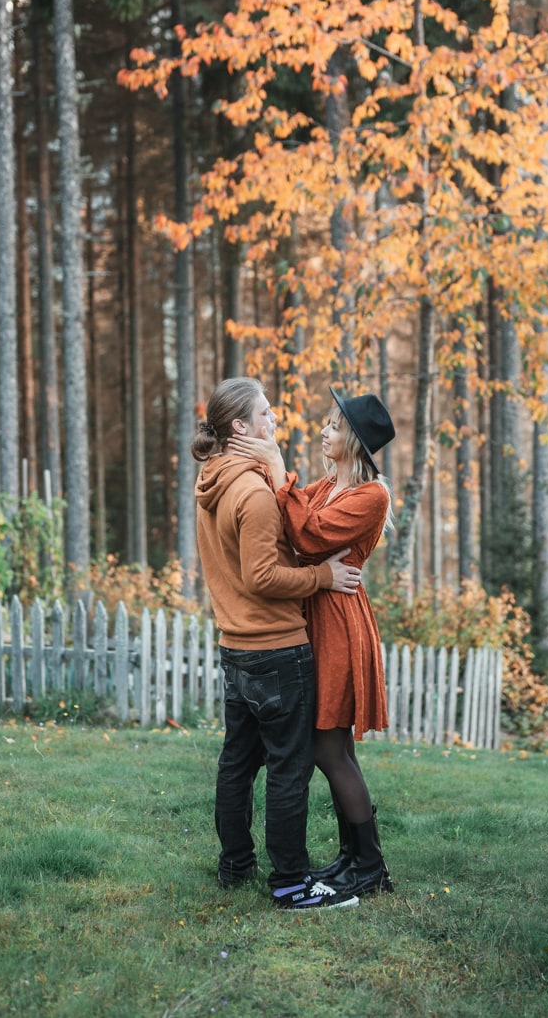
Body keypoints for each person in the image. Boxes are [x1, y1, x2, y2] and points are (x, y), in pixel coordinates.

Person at [193, 376, 364, 912]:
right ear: (240, 426)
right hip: (276, 649)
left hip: (235, 647)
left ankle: (235, 866)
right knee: (289, 768)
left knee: (237, 763)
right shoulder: (254, 493)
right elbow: (263, 576)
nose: (275, 422)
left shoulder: (213, 478)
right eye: (266, 414)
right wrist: (322, 579)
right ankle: (292, 883)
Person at [229, 384, 396, 899]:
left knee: (327, 748)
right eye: (326, 423)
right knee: (335, 746)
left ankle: (369, 866)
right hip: (314, 613)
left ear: (357, 442)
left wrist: (279, 472)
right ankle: (353, 858)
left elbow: (305, 537)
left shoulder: (372, 495)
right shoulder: (327, 487)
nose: (324, 431)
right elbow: (292, 521)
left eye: (334, 426)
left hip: (338, 624)